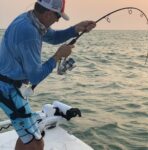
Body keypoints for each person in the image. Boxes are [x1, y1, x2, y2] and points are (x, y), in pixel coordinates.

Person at [0, 0, 96, 150]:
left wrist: (76, 29)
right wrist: (57, 56)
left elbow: (53, 37)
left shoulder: (31, 19)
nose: (57, 21)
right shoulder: (29, 31)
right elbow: (35, 77)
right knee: (35, 143)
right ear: (48, 13)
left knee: (31, 137)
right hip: (7, 89)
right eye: (57, 17)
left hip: (12, 86)